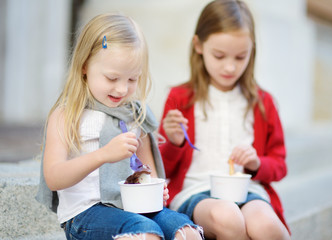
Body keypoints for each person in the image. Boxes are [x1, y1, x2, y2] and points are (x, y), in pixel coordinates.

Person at [36, 13, 203, 240]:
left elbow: (148, 171)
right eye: (112, 78)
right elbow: (54, 177)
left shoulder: (135, 115)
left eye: (132, 79)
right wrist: (103, 155)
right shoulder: (67, 115)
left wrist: (156, 188)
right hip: (86, 214)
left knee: (187, 233)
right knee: (146, 234)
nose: (122, 89)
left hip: (134, 209)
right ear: (85, 66)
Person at [158, 1, 291, 239]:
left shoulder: (263, 102)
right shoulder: (180, 98)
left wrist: (256, 164)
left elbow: (280, 165)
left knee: (267, 226)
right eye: (219, 56)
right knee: (228, 217)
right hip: (196, 192)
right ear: (198, 45)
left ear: (252, 50)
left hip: (248, 191)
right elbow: (161, 168)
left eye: (241, 57)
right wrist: (175, 142)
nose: (230, 67)